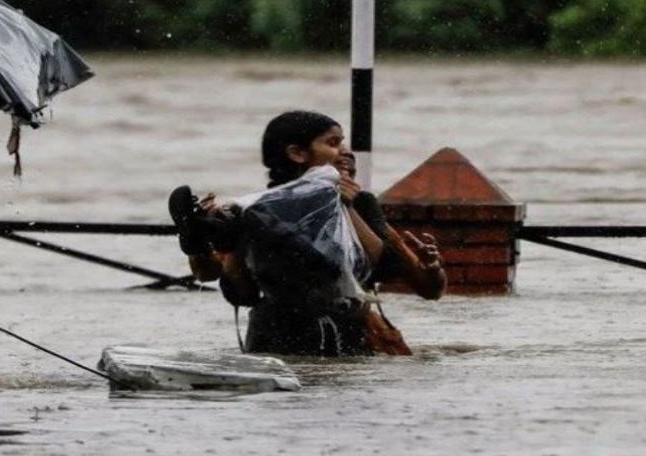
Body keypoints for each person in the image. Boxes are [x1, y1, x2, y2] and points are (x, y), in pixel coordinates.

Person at [168, 110, 445, 356]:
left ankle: (212, 232)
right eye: (334, 146)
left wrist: (431, 267)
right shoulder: (259, 210)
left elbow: (420, 282)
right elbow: (232, 286)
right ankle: (211, 232)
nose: (344, 154)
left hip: (304, 331)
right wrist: (214, 242)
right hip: (310, 331)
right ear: (298, 154)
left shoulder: (358, 204)